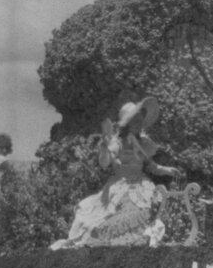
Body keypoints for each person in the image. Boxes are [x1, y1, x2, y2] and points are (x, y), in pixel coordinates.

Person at [52, 97, 179, 248]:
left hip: (142, 186)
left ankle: (137, 241)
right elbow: (104, 163)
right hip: (119, 186)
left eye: (140, 121)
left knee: (143, 212)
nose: (139, 125)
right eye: (135, 121)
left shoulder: (144, 143)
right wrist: (105, 148)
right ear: (127, 124)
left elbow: (151, 166)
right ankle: (113, 243)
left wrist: (167, 170)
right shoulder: (116, 143)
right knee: (105, 216)